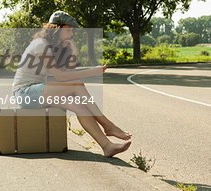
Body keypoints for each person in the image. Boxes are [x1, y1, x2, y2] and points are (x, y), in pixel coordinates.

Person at [12, 11, 132, 157]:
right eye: (68, 30)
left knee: (78, 105)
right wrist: (92, 72)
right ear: (56, 29)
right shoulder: (41, 45)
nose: (71, 34)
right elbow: (62, 76)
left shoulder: (51, 47)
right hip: (25, 93)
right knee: (76, 84)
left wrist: (73, 52)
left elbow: (68, 73)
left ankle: (107, 146)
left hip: (37, 93)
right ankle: (108, 124)